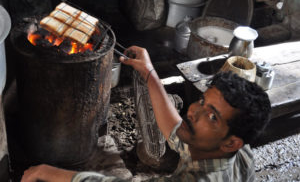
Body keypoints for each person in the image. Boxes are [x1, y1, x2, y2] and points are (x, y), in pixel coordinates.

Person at [21, 46, 271, 182]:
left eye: (213, 116)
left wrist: (47, 172)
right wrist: (149, 73)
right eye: (203, 101)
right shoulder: (237, 151)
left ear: (231, 142)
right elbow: (175, 131)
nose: (193, 110)